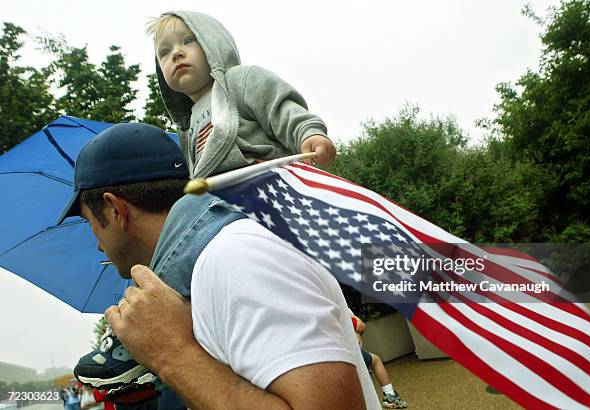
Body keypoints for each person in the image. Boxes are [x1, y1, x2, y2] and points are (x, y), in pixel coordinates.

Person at [57, 122, 379, 409]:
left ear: (115, 210)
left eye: (90, 223)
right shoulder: (205, 269)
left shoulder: (232, 257)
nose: (98, 243)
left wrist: (174, 354)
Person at [145, 11, 336, 178]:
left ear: (213, 43)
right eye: (164, 52)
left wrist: (308, 133)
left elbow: (281, 108)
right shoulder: (187, 126)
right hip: (221, 201)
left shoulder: (239, 80)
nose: (176, 53)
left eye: (188, 41)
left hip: (268, 179)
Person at [352, 314, 408, 409]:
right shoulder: (342, 309)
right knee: (376, 360)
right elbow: (360, 326)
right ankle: (390, 395)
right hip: (353, 353)